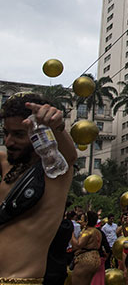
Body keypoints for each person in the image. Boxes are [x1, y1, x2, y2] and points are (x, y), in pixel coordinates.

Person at [0, 93, 77, 283]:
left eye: (18, 134)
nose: (9, 142)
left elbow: (70, 155)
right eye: (5, 133)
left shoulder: (56, 173)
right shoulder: (5, 163)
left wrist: (57, 126)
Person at [71, 210, 102, 284]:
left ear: (87, 221)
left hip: (85, 259)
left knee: (77, 281)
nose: (80, 221)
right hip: (96, 258)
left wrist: (71, 234)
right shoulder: (98, 232)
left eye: (82, 219)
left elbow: (78, 245)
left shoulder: (88, 232)